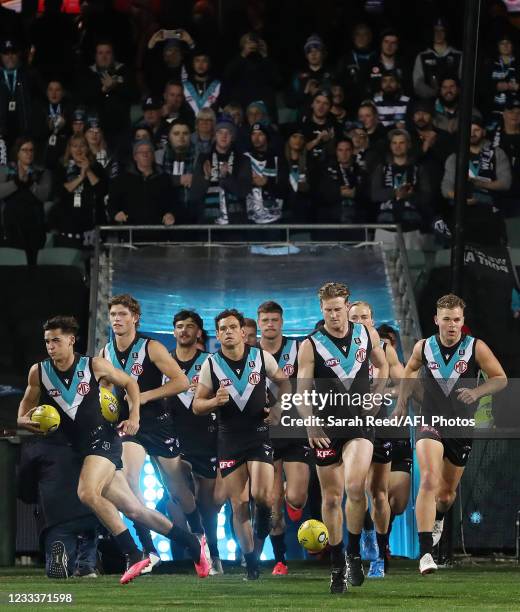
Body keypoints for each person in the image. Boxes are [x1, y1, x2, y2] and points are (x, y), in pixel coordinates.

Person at [17, 316, 210, 585]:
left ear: (71, 340)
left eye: (57, 341)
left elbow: (131, 383)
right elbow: (22, 414)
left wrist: (134, 418)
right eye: (48, 341)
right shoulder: (39, 371)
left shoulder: (94, 365)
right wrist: (29, 422)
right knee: (135, 510)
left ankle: (133, 554)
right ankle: (192, 544)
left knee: (86, 492)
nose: (51, 346)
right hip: (78, 449)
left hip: (103, 441)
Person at [393, 294, 507, 575]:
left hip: (460, 427)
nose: (452, 325)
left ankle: (439, 517)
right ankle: (425, 553)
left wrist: (477, 392)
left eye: (457, 319)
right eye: (446, 320)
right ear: (437, 321)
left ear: (462, 321)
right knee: (429, 478)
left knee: (445, 495)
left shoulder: (475, 348)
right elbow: (408, 371)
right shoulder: (424, 347)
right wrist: (401, 404)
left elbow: (500, 378)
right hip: (430, 421)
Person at [101, 295, 208, 571]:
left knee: (177, 490)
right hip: (128, 425)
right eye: (113, 314)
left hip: (157, 423)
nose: (116, 319)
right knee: (130, 481)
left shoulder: (152, 347)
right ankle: (147, 550)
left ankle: (200, 539)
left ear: (135, 317)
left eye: (122, 314)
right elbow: (100, 388)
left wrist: (145, 396)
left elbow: (182, 382)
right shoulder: (105, 352)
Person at [297, 282, 388, 594]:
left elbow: (382, 365)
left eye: (338, 309)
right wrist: (310, 425)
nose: (333, 315)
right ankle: (337, 565)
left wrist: (376, 397)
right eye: (327, 310)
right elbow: (301, 391)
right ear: (321, 310)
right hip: (326, 427)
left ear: (347, 308)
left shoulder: (366, 334)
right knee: (332, 498)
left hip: (360, 425)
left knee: (355, 486)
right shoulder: (310, 344)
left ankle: (352, 552)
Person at [193, 308, 289, 580]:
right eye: (222, 329)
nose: (227, 332)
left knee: (262, 496)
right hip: (229, 439)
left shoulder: (260, 357)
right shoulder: (211, 365)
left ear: (243, 331)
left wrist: (279, 408)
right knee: (238, 505)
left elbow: (285, 383)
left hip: (259, 434)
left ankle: (264, 520)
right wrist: (213, 401)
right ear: (218, 334)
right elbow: (197, 405)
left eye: (232, 327)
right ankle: (252, 563)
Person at [348, 301, 404, 578]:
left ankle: (380, 555)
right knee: (354, 488)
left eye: (365, 317)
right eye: (354, 317)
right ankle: (363, 537)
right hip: (349, 425)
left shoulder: (383, 347)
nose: (360, 321)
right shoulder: (338, 348)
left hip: (378, 422)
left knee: (378, 492)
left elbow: (404, 382)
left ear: (372, 319)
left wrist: (383, 394)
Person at [257, 301, 310, 576]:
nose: (270, 324)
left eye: (274, 320)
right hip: (264, 432)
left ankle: (296, 506)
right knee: (272, 503)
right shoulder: (250, 353)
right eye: (265, 320)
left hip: (295, 428)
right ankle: (281, 560)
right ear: (258, 323)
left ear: (282, 322)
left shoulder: (299, 349)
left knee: (297, 497)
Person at [169, 310, 222, 575]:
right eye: (179, 326)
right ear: (174, 331)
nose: (184, 331)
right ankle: (191, 551)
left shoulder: (210, 362)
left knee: (208, 507)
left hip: (207, 438)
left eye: (190, 326)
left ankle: (213, 554)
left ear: (199, 332)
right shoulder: (164, 362)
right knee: (179, 492)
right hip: (174, 439)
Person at [18, 430, 100, 579]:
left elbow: (25, 486)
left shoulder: (35, 446)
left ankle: (60, 553)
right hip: (91, 508)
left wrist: (31, 499)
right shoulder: (91, 437)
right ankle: (85, 564)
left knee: (59, 532)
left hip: (56, 514)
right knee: (91, 526)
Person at [441, 116, 512, 245]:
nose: (472, 134)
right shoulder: (455, 157)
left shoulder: (497, 153)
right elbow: (446, 188)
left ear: (484, 132)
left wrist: (480, 183)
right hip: (463, 216)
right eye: (469, 130)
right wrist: (460, 198)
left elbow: (505, 183)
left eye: (476, 130)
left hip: (491, 215)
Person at [371, 129, 433, 247]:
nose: (397, 146)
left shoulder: (418, 168)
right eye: (394, 143)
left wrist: (411, 195)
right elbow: (374, 195)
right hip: (385, 229)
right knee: (384, 265)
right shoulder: (381, 168)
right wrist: (396, 193)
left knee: (413, 265)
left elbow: (427, 197)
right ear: (390, 145)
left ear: (408, 145)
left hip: (412, 229)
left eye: (401, 143)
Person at [50, 134, 107, 248]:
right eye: (75, 146)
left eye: (82, 146)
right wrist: (81, 177)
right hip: (68, 225)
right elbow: (60, 192)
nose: (79, 150)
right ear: (70, 149)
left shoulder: (97, 167)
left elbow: (102, 191)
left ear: (87, 148)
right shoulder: (62, 166)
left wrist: (88, 170)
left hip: (92, 225)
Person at [77, 40, 137, 147]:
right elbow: (83, 97)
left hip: (121, 129)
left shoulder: (124, 71)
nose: (104, 56)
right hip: (95, 130)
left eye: (107, 53)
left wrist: (115, 87)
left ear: (113, 55)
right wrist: (102, 90)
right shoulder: (87, 73)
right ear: (95, 56)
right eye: (100, 53)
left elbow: (135, 94)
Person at [0, 137, 50, 263]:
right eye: (24, 150)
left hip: (35, 226)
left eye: (31, 150)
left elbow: (44, 195)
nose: (29, 153)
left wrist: (30, 183)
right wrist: (16, 182)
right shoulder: (7, 169)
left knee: (32, 264)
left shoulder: (42, 171)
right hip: (11, 225)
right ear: (17, 152)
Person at [108, 139, 176, 227]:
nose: (145, 154)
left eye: (148, 151)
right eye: (141, 152)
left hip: (158, 231)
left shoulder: (164, 179)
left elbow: (173, 203)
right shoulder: (122, 180)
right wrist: (116, 214)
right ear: (135, 157)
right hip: (130, 233)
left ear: (153, 155)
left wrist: (171, 214)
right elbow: (112, 204)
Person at [191, 114, 243, 224]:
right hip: (209, 220)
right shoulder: (203, 158)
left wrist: (227, 177)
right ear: (215, 135)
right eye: (220, 132)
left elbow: (243, 192)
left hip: (235, 221)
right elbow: (195, 194)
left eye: (228, 133)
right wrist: (205, 177)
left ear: (232, 136)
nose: (224, 136)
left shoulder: (241, 159)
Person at [238, 123, 288, 225]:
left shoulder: (278, 158)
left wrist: (267, 182)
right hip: (250, 219)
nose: (256, 138)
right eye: (253, 134)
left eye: (260, 134)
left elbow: (284, 189)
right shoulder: (244, 158)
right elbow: (238, 186)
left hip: (274, 219)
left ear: (267, 137)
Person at [156, 120, 198, 223]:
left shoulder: (199, 156)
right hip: (165, 216)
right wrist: (179, 180)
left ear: (190, 136)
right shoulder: (158, 156)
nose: (181, 137)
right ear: (169, 136)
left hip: (194, 215)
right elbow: (156, 183)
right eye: (176, 133)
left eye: (185, 133)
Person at [318, 138, 366, 225]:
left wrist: (355, 193)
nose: (344, 154)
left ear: (353, 151)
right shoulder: (326, 169)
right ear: (336, 152)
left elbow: (368, 193)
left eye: (347, 150)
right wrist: (338, 192)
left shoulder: (360, 170)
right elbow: (320, 193)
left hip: (356, 220)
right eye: (340, 150)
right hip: (332, 220)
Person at [413, 18, 462, 100]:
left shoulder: (458, 56)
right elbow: (418, 84)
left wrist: (449, 93)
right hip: (430, 104)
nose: (438, 34)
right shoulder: (422, 57)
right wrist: (437, 93)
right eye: (436, 31)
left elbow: (464, 83)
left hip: (454, 103)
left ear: (446, 32)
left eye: (442, 30)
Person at [182, 49, 221, 116]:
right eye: (197, 60)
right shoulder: (184, 86)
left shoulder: (218, 85)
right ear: (193, 64)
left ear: (209, 64)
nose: (200, 64)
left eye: (204, 61)